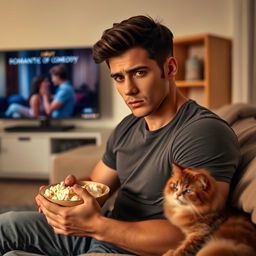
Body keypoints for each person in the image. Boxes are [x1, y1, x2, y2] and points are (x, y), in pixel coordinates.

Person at [0, 15, 240, 256]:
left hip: (137, 249)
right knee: (6, 225)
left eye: (139, 73)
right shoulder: (128, 126)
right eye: (119, 77)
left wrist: (95, 225)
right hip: (104, 230)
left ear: (170, 68)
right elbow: (96, 187)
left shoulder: (203, 133)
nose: (128, 90)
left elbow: (197, 234)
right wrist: (65, 195)